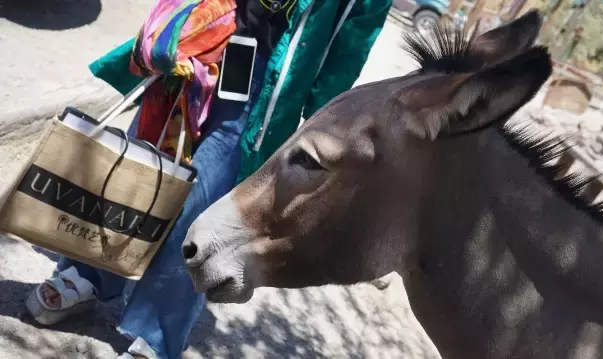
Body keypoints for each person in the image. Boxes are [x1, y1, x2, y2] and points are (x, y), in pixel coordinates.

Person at [25, 1, 391, 358]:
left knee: (206, 203)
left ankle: (156, 332)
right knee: (142, 164)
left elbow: (354, 36)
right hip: (211, 31)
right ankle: (90, 272)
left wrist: (319, 118)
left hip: (271, 79)